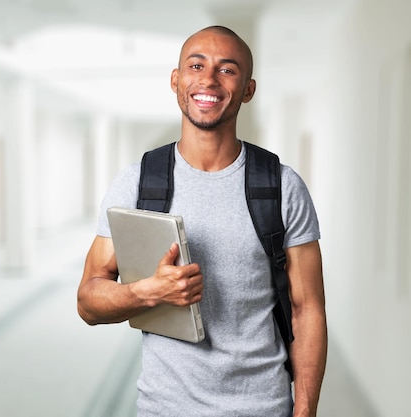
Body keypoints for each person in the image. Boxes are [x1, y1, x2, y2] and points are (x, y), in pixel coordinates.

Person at [77, 25, 327, 417]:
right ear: (177, 81)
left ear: (248, 89)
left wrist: (306, 410)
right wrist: (148, 292)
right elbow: (89, 302)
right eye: (196, 65)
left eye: (227, 69)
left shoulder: (282, 185)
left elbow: (307, 308)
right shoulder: (139, 182)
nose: (208, 78)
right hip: (164, 407)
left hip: (263, 406)